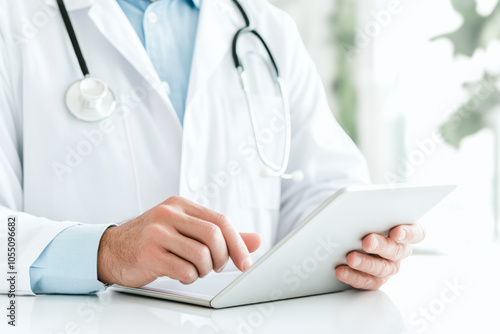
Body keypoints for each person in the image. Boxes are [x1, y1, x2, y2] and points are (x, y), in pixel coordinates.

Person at [0, 0, 425, 295]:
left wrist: (364, 244)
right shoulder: (14, 22)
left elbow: (323, 189)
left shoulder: (265, 27)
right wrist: (105, 253)